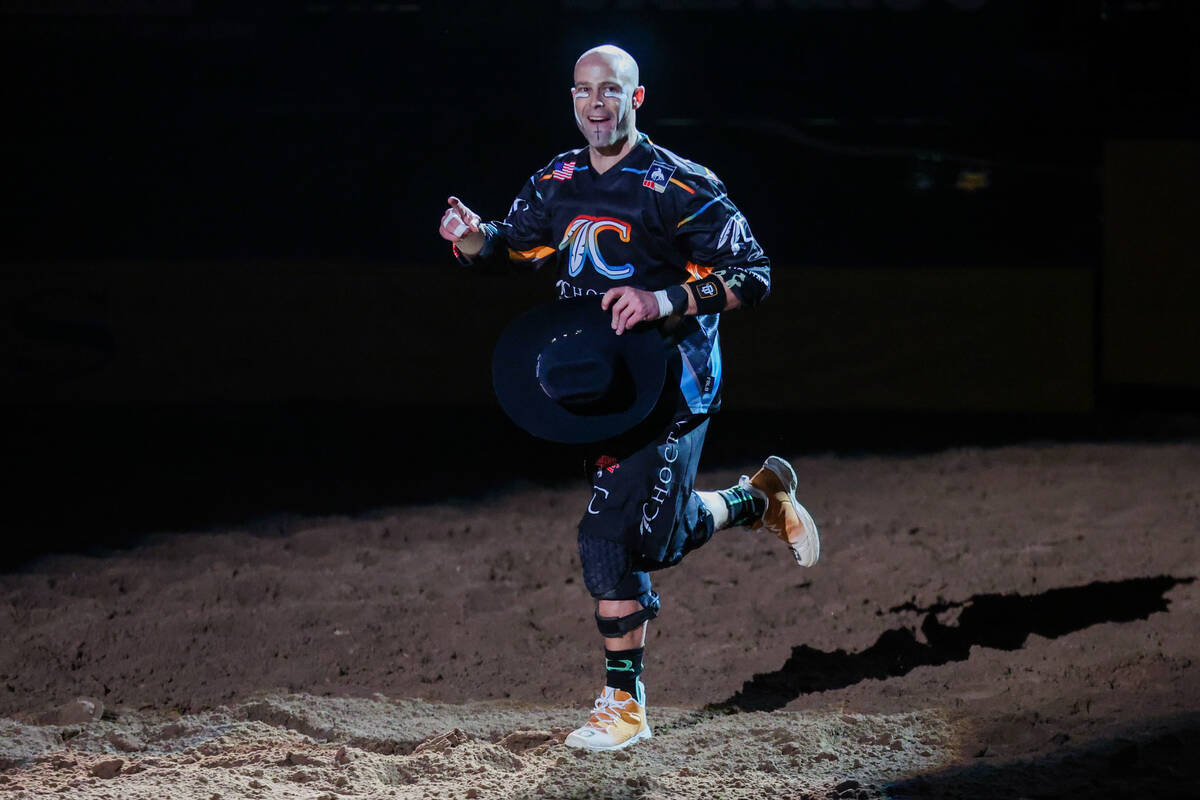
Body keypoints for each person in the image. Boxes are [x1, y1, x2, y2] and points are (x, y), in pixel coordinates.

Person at [437, 44, 820, 751]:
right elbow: (508, 246)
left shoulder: (678, 185)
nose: (595, 104)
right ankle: (755, 499)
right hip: (598, 392)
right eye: (583, 91)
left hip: (672, 389)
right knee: (655, 537)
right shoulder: (557, 180)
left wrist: (666, 298)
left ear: (635, 100)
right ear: (572, 98)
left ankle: (623, 703)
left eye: (609, 91)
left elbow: (754, 272)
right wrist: (469, 239)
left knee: (608, 540)